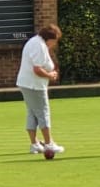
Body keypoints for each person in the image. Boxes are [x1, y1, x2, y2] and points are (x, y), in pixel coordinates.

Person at [16, 24, 64, 156]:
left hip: (28, 83)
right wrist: (50, 75)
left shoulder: (35, 42)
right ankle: (49, 143)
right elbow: (37, 69)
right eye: (55, 41)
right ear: (50, 38)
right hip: (34, 85)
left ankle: (35, 144)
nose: (54, 44)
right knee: (43, 112)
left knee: (32, 112)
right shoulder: (39, 46)